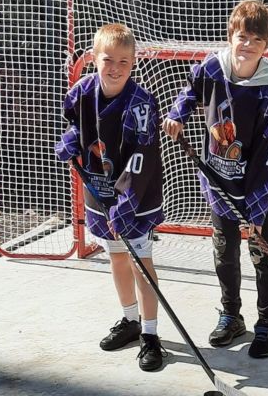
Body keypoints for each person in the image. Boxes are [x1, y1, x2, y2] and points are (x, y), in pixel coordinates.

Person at [163, 0, 268, 358]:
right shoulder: (212, 68)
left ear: (266, 46)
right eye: (242, 36)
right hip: (217, 177)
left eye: (256, 40)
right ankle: (231, 316)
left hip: (256, 184)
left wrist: (257, 202)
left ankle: (267, 323)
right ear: (231, 35)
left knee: (263, 255)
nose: (247, 45)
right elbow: (190, 92)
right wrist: (177, 115)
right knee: (225, 252)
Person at [55, 23, 166, 371]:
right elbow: (77, 124)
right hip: (99, 188)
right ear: (94, 59)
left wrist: (126, 203)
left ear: (133, 63)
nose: (115, 67)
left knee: (140, 262)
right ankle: (130, 321)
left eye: (123, 61)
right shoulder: (82, 92)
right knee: (117, 258)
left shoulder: (141, 103)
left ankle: (150, 334)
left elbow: (141, 158)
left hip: (136, 193)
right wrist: (72, 139)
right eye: (108, 60)